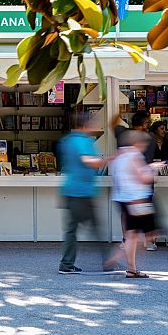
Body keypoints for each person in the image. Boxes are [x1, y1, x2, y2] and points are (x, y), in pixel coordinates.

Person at [106, 130, 164, 278]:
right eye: (144, 144)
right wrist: (152, 169)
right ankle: (126, 262)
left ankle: (128, 264)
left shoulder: (119, 156)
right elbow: (143, 178)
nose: (145, 147)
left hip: (123, 199)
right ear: (137, 143)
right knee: (146, 234)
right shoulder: (135, 156)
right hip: (138, 200)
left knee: (133, 233)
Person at [58, 112, 107, 275]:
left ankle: (66, 264)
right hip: (83, 192)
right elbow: (88, 161)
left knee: (71, 230)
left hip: (70, 189)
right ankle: (108, 262)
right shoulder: (83, 141)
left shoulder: (67, 140)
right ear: (84, 126)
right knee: (96, 228)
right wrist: (108, 159)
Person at [111, 111, 158, 250]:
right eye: (147, 123)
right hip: (143, 179)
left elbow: (113, 122)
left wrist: (119, 111)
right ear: (144, 124)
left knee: (126, 212)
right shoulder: (150, 137)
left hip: (124, 181)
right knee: (146, 210)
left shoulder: (122, 133)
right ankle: (149, 242)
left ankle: (126, 240)